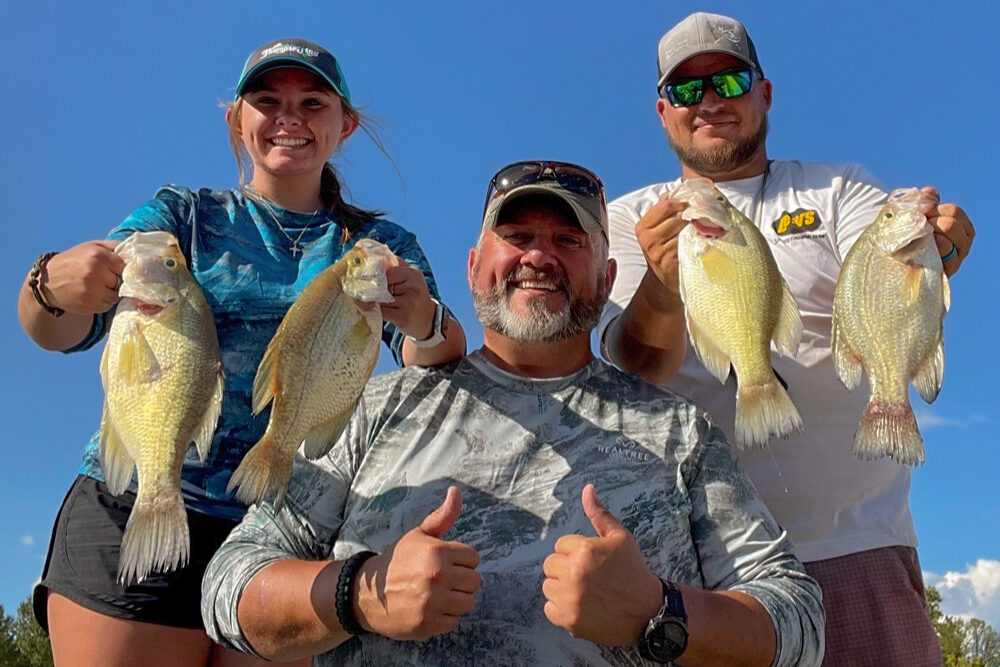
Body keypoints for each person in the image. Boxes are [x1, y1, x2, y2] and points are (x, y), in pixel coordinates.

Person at [200, 160, 825, 666]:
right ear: (473, 269)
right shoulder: (376, 408)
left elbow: (798, 622)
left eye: (567, 240)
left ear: (606, 281)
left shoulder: (681, 431)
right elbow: (229, 587)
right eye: (517, 236)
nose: (538, 257)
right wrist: (360, 593)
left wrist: (660, 613)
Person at [17, 38, 465, 667]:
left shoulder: (376, 243)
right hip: (135, 497)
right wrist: (50, 284)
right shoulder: (179, 217)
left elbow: (438, 358)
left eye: (313, 102)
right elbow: (56, 330)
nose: (290, 117)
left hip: (289, 528)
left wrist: (424, 319)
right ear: (235, 118)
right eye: (267, 100)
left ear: (346, 125)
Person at [598, 12, 976, 667]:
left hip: (856, 547)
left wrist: (928, 250)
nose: (710, 100)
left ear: (764, 92)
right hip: (697, 560)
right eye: (687, 90)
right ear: (662, 111)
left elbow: (879, 276)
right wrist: (661, 287)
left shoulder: (839, 188)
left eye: (729, 79)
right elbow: (632, 365)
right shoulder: (633, 216)